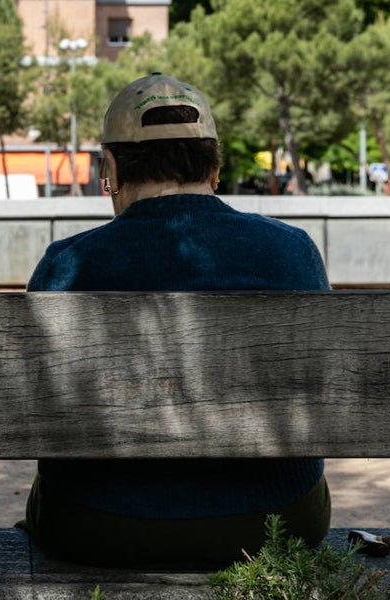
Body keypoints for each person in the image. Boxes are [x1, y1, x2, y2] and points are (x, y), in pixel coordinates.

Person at [22, 73, 331, 569]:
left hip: (98, 523)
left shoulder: (66, 263)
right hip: (277, 521)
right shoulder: (293, 252)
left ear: (112, 169)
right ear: (215, 167)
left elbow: (35, 400)